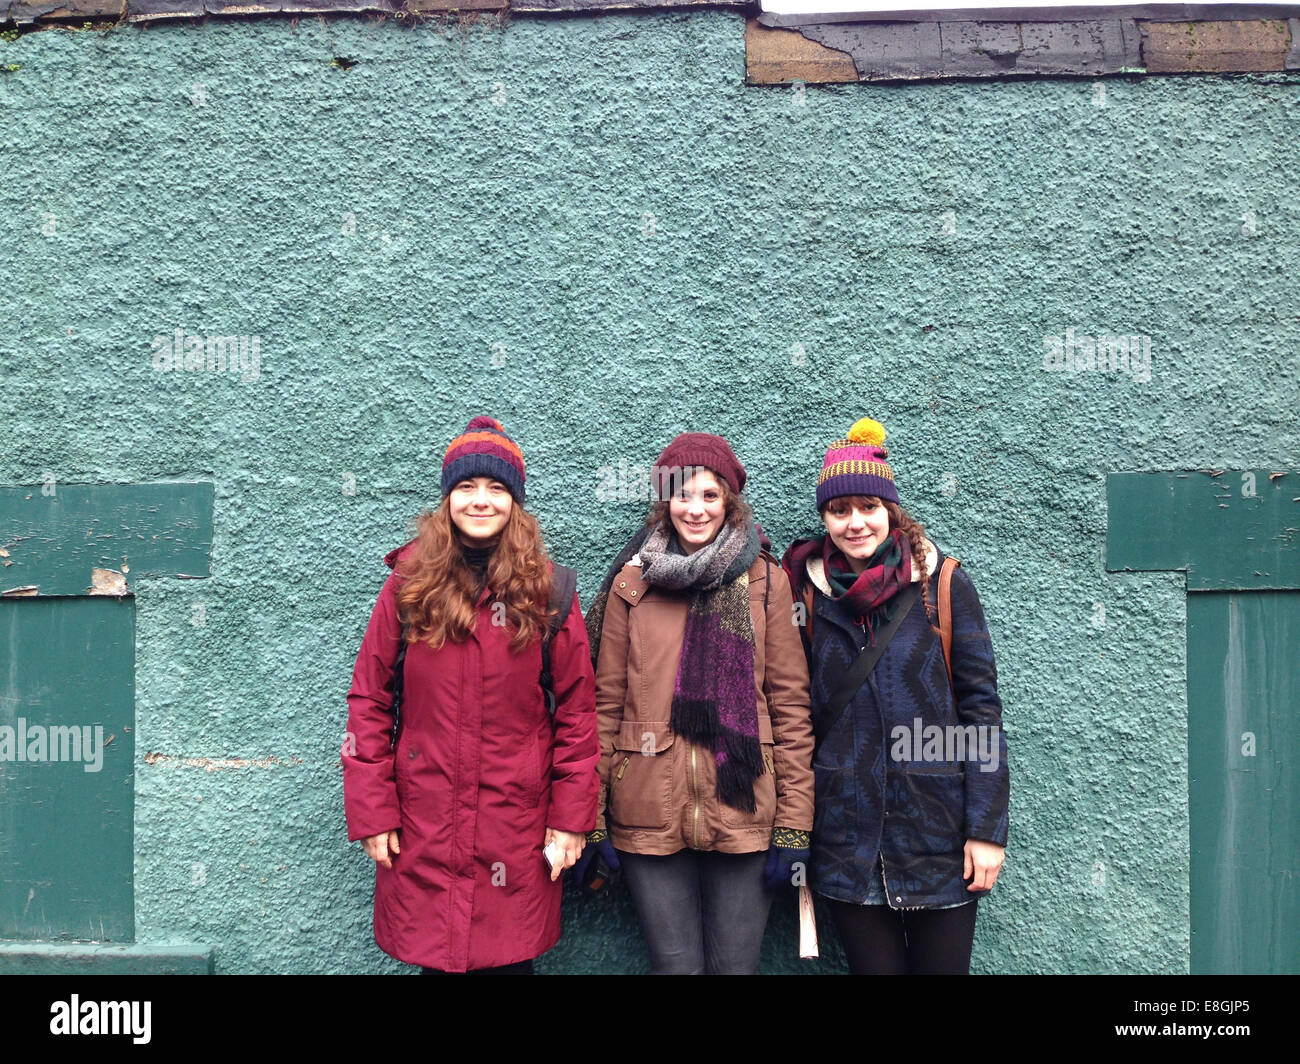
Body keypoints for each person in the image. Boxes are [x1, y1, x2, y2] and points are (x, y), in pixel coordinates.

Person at [342, 416, 599, 974]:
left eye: (496, 489)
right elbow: (369, 698)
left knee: (507, 962)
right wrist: (374, 811)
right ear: (447, 498)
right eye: (466, 487)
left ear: (515, 502)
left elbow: (578, 712)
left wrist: (572, 820)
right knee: (436, 959)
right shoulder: (409, 583)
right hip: (424, 823)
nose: (480, 501)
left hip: (516, 827)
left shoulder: (549, 590)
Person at [781, 416, 1009, 975]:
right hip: (846, 839)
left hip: (939, 837)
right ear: (825, 518)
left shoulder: (944, 586)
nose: (855, 523)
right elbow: (792, 711)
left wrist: (986, 830)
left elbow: (981, 712)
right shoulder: (806, 597)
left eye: (868, 508)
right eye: (840, 511)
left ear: (890, 511)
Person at [581, 432, 815, 974]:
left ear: (729, 503)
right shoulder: (632, 584)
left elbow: (790, 706)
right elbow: (603, 707)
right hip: (646, 808)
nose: (695, 508)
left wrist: (796, 824)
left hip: (745, 804)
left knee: (736, 968)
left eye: (710, 496)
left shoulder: (765, 579)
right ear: (665, 503)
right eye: (682, 495)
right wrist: (590, 816)